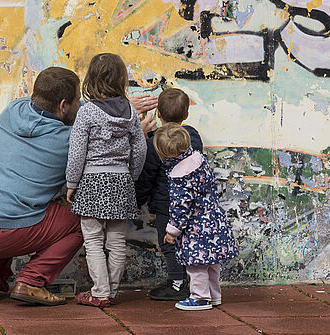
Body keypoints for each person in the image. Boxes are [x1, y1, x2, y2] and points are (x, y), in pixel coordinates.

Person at [0, 65, 157, 308]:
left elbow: (87, 115)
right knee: (85, 216)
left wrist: (115, 107)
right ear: (63, 105)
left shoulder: (13, 110)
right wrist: (132, 132)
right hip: (3, 231)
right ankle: (32, 281)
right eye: (78, 101)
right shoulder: (70, 143)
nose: (81, 106)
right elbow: (107, 148)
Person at [64, 53, 147, 307]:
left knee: (93, 240)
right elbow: (140, 149)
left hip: (91, 181)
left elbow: (77, 151)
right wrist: (130, 176)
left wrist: (71, 183)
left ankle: (99, 293)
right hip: (121, 180)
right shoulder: (130, 112)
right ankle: (110, 291)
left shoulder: (87, 112)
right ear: (122, 79)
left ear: (91, 79)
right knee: (117, 240)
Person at [157, 123, 239, 310]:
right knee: (212, 263)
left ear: (165, 154)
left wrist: (172, 231)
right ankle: (214, 295)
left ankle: (200, 298)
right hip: (214, 220)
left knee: (196, 265)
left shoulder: (180, 176)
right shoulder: (199, 160)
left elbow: (180, 207)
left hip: (196, 228)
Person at [135, 87, 204, 301]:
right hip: (192, 203)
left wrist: (138, 200)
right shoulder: (192, 136)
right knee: (189, 241)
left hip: (166, 204)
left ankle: (176, 284)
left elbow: (146, 176)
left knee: (169, 243)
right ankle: (193, 282)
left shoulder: (155, 142)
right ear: (186, 115)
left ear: (158, 115)